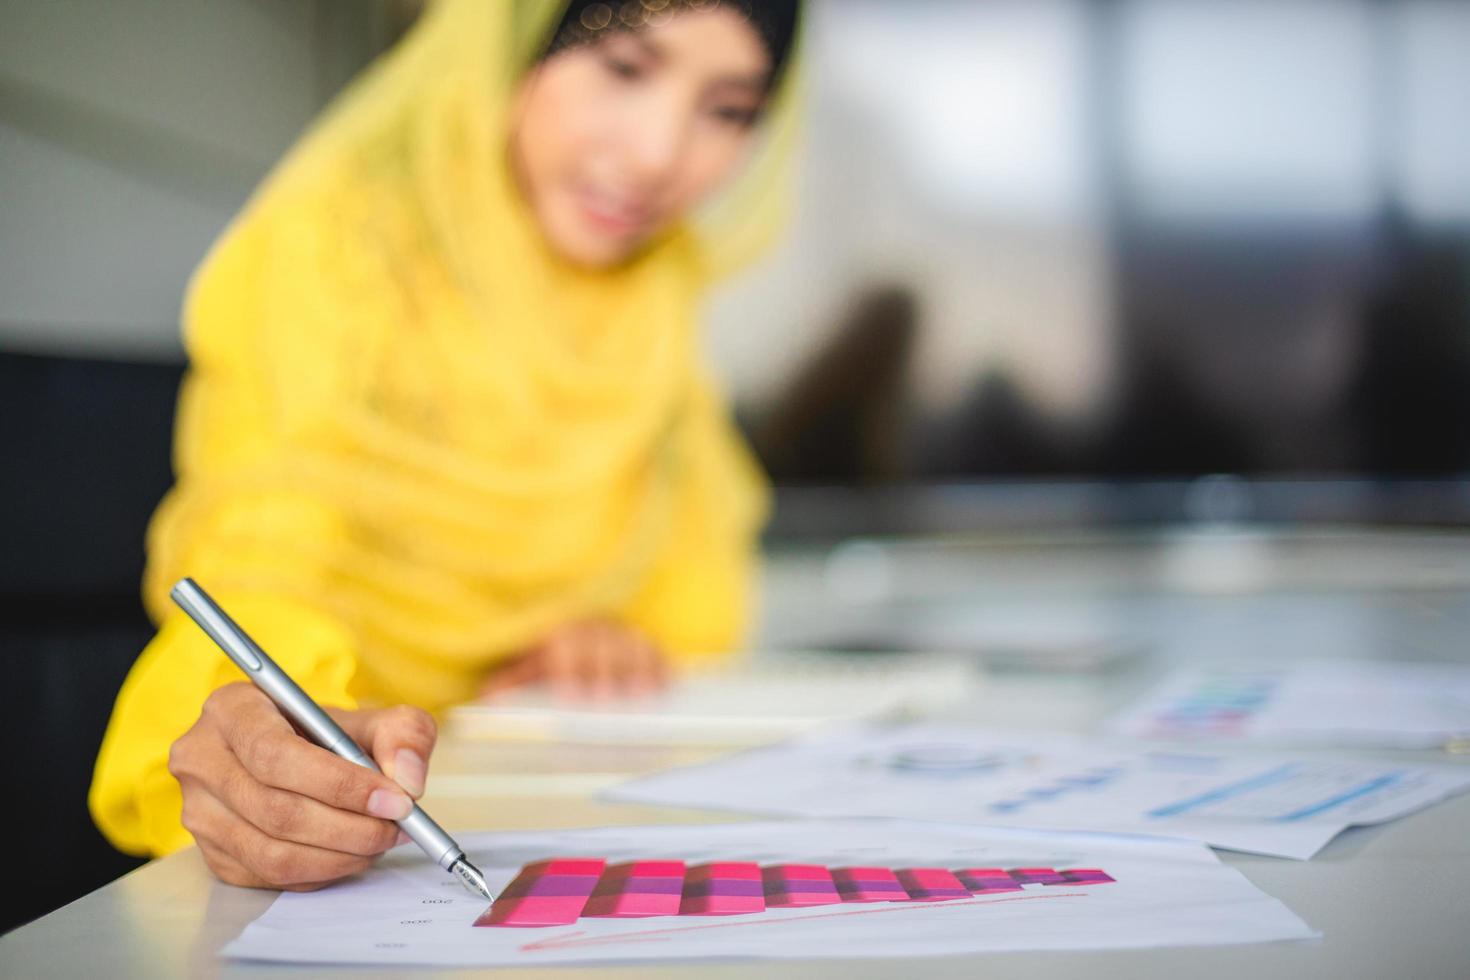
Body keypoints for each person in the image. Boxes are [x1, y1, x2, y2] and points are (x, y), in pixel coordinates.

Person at [90, 0, 801, 891]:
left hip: (546, 798)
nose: (661, 153)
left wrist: (613, 642)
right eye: (622, 67)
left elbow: (693, 587)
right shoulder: (335, 249)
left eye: (728, 109)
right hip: (354, 845)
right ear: (503, 43)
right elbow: (261, 548)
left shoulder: (653, 300)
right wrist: (257, 743)